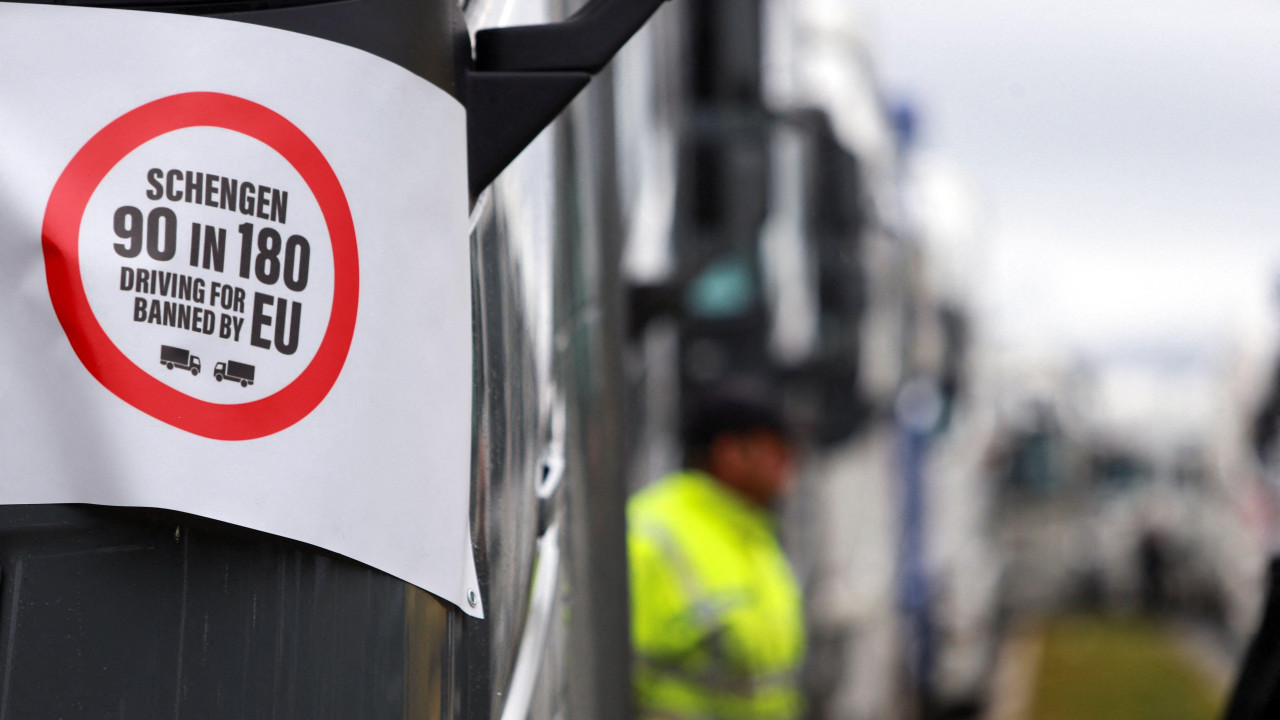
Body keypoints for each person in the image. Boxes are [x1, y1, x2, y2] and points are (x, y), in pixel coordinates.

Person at [628, 383, 806, 720]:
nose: (788, 465)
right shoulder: (649, 534)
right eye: (776, 450)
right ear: (730, 453)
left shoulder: (754, 534)